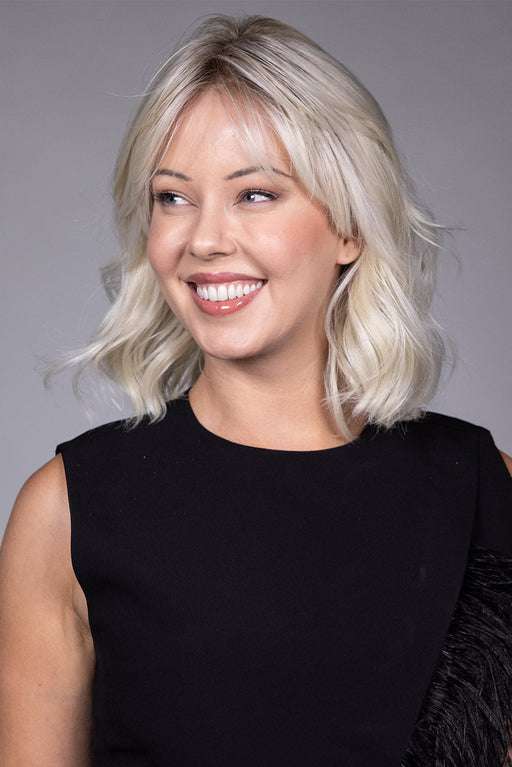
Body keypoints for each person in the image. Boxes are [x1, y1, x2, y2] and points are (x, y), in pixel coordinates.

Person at [0, 14, 511, 767]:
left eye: (256, 194)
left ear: (350, 227)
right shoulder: (64, 511)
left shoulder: (484, 489)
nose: (205, 239)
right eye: (173, 198)